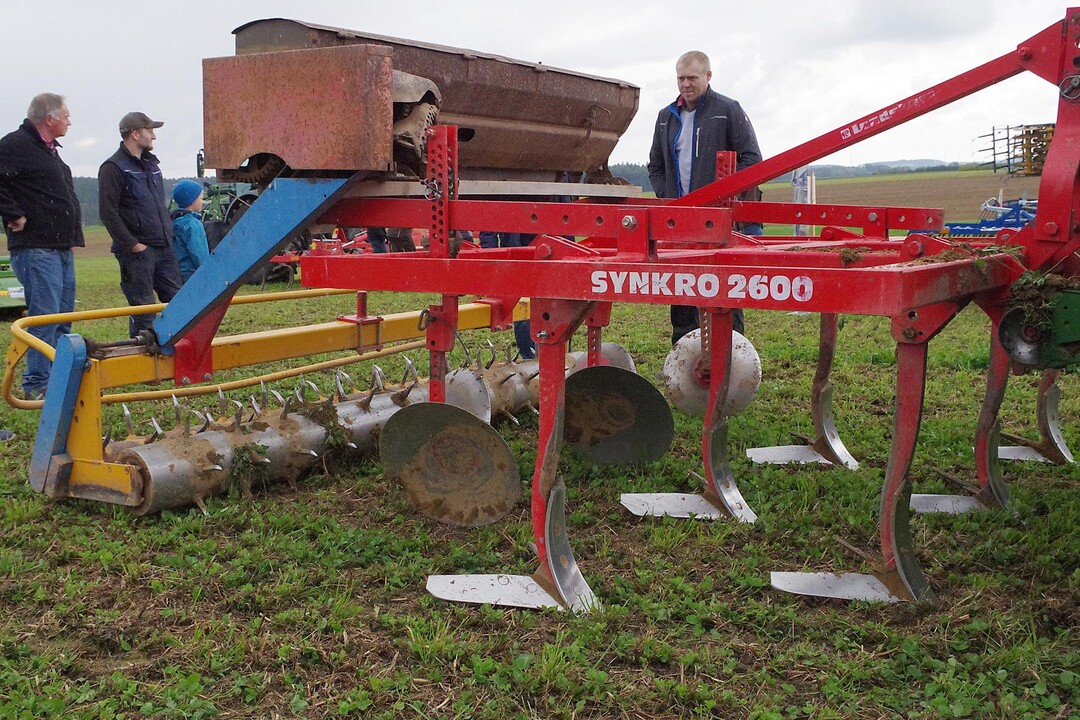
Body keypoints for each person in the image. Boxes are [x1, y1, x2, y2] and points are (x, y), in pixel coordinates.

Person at [648, 50, 763, 345]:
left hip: (720, 221)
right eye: (681, 78)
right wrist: (668, 197)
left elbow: (752, 160)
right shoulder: (666, 117)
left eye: (692, 78)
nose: (685, 84)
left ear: (708, 76)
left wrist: (722, 197)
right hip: (680, 223)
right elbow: (656, 166)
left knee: (723, 289)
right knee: (682, 286)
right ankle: (684, 355)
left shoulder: (728, 110)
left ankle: (732, 355)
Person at [0, 93, 83, 400]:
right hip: (36, 248)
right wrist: (11, 212)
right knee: (44, 317)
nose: (69, 121)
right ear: (49, 119)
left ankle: (58, 379)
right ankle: (36, 384)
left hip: (59, 246)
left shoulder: (49, 151)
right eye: (66, 116)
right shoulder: (15, 145)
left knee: (62, 316)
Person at [99, 112, 183, 338]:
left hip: (164, 248)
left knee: (178, 303)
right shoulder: (113, 167)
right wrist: (133, 245)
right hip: (138, 253)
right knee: (143, 310)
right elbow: (108, 212)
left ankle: (175, 348)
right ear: (135, 134)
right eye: (150, 131)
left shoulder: (152, 165)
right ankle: (142, 359)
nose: (154, 136)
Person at [170, 179, 210, 282]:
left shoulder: (174, 222)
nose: (202, 201)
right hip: (193, 276)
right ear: (192, 201)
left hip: (177, 276)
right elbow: (199, 254)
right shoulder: (193, 224)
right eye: (201, 198)